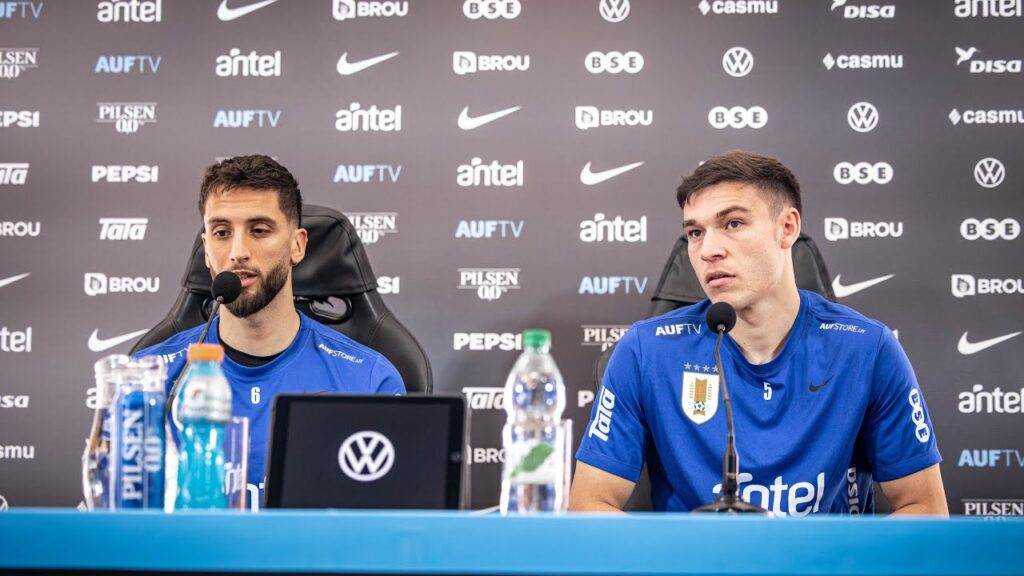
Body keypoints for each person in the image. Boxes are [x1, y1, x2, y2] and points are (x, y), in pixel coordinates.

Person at [571, 151, 947, 516]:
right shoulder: (645, 350)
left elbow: (924, 507)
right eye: (695, 232)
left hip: (825, 558)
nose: (708, 250)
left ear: (787, 228)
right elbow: (589, 504)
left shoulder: (866, 348)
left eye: (733, 224)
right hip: (694, 558)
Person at [135, 155, 405, 508]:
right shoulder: (146, 380)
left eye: (259, 230)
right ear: (206, 251)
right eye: (221, 233)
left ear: (297, 245)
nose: (238, 252)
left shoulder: (369, 379)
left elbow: (391, 528)